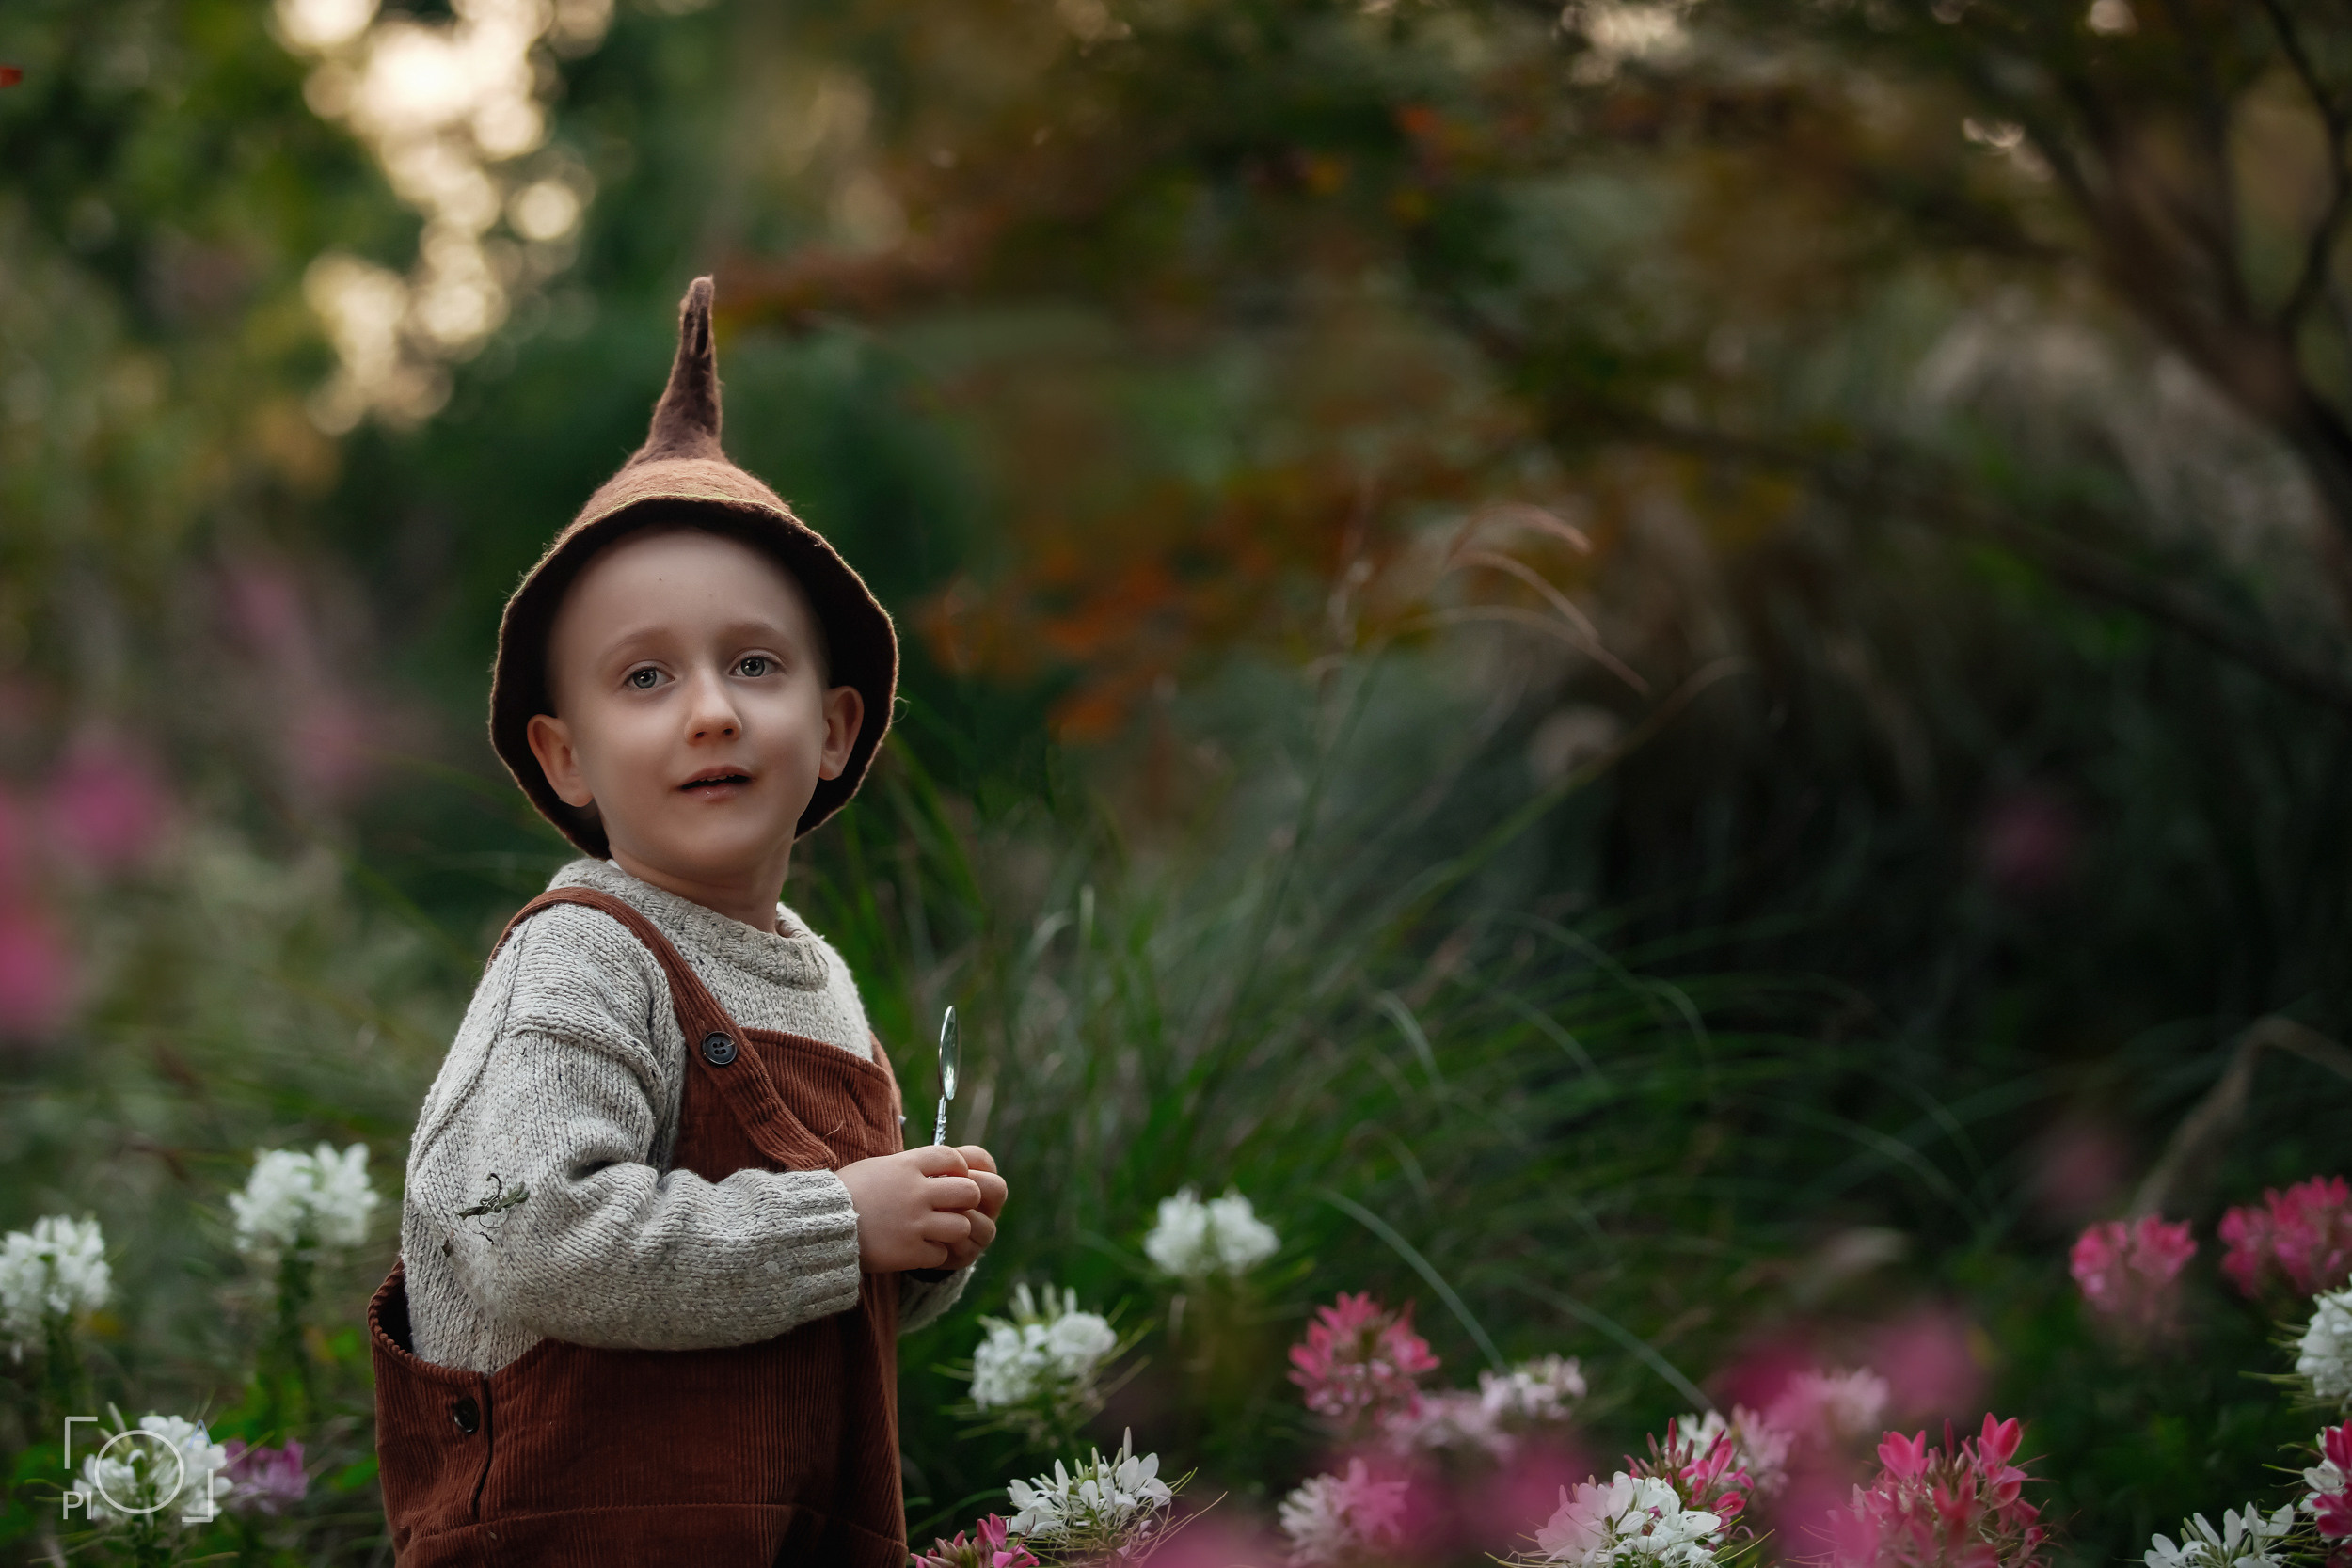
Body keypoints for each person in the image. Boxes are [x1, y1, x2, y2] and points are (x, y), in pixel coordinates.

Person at [366, 277, 1006, 1567]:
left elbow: (787, 1296)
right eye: (645, 677)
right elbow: (536, 1235)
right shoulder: (586, 955)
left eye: (755, 665)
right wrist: (843, 1223)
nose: (710, 710)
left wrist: (918, 1243)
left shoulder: (814, 978)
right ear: (567, 759)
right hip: (583, 1531)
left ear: (833, 731)